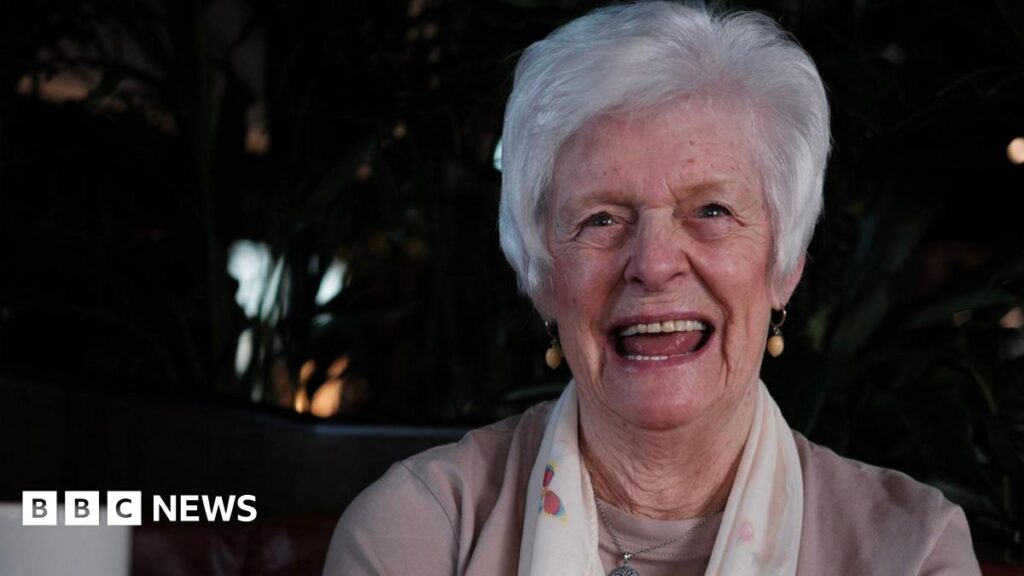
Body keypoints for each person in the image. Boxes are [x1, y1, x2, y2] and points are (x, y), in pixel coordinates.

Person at [323, 2, 981, 574]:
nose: (654, 263)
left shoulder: (911, 551)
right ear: (543, 278)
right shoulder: (418, 533)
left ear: (785, 266)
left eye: (712, 211)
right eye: (601, 218)